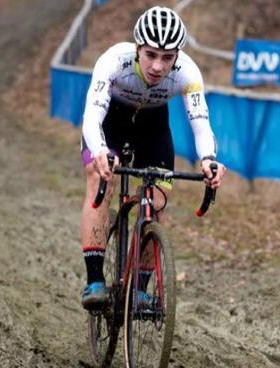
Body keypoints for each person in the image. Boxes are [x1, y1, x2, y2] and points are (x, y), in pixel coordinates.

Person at [79, 6, 226, 310]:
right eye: (151, 54)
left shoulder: (188, 73)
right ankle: (95, 281)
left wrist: (209, 159)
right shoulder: (113, 61)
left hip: (153, 129)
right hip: (111, 124)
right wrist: (101, 151)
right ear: (137, 49)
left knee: (157, 202)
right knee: (98, 177)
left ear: (177, 56)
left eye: (167, 57)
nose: (158, 66)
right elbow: (92, 116)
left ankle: (140, 291)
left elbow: (201, 123)